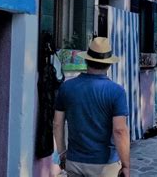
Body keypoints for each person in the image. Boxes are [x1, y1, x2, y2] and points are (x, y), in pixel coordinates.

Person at [53, 37, 130, 177]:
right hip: (105, 165)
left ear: (87, 60)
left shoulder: (67, 87)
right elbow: (119, 130)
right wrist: (126, 165)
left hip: (75, 161)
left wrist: (62, 152)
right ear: (109, 64)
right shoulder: (116, 92)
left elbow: (57, 124)